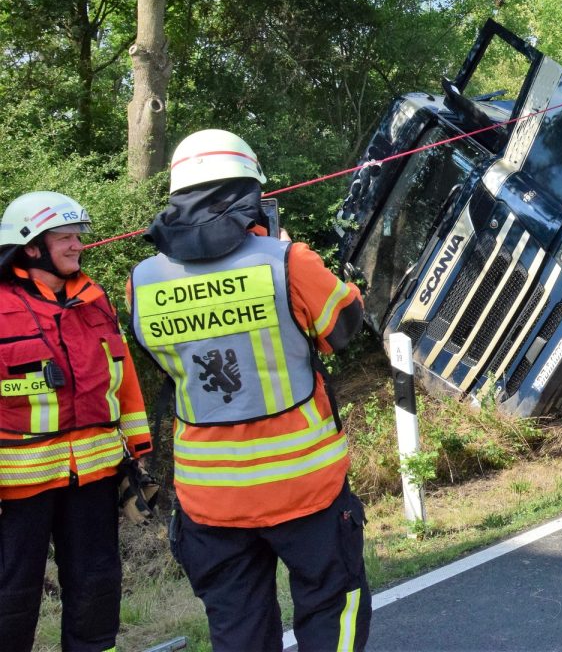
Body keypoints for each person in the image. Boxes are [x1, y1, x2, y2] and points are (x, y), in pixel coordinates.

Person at [127, 129, 371, 651]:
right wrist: (300, 263)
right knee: (334, 605)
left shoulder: (141, 281)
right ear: (249, 193)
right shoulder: (287, 261)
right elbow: (344, 327)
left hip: (209, 496)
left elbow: (163, 364)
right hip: (304, 486)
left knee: (237, 631)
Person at [0, 191, 153, 651]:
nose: (77, 246)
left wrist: (139, 453)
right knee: (11, 597)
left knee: (97, 586)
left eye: (78, 236)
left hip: (95, 475)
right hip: (17, 485)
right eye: (65, 237)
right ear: (31, 246)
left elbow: (122, 378)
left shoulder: (93, 297)